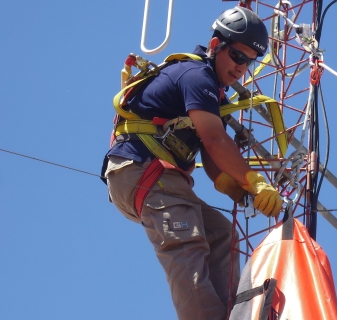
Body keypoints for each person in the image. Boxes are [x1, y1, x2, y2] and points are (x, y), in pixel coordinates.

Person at [101, 6, 282, 320]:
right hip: (144, 170)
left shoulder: (214, 95)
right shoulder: (196, 75)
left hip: (156, 178)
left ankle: (231, 314)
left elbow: (214, 160)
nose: (242, 68)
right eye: (238, 56)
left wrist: (237, 187)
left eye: (249, 62)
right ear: (216, 45)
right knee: (187, 244)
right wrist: (255, 180)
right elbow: (213, 139)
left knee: (221, 233)